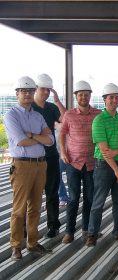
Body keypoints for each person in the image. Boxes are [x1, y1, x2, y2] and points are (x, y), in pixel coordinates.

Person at [4, 76, 54, 260]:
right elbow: (20, 140)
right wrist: (38, 136)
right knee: (19, 210)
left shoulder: (37, 115)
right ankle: (16, 246)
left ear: (34, 93)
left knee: (35, 207)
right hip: (22, 166)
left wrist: (32, 134)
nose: (27, 94)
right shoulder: (11, 115)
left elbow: (50, 141)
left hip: (41, 165)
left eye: (30, 91)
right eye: (23, 91)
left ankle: (32, 243)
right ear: (17, 94)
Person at [86, 83, 118, 246]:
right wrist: (117, 170)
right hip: (104, 167)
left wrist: (116, 151)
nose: (114, 100)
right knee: (98, 201)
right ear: (104, 100)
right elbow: (104, 150)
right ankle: (92, 233)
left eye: (117, 97)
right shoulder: (98, 120)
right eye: (111, 97)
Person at [60, 81, 101, 244]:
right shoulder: (69, 115)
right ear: (76, 96)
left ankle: (86, 229)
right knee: (73, 198)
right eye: (80, 94)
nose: (83, 97)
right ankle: (69, 231)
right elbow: (62, 134)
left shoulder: (98, 114)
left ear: (90, 96)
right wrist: (63, 152)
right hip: (73, 163)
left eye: (86, 94)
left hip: (92, 163)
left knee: (90, 198)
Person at [32, 73, 66, 238]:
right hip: (32, 158)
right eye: (43, 89)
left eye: (48, 89)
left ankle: (53, 225)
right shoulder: (29, 107)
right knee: (32, 195)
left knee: (52, 192)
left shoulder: (51, 108)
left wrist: (58, 101)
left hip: (51, 156)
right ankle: (29, 229)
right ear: (36, 89)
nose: (45, 92)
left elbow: (67, 120)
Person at [55, 122, 69, 206]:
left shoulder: (61, 126)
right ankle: (63, 196)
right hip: (57, 155)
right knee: (57, 177)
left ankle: (65, 196)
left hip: (67, 154)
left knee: (70, 176)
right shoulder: (46, 128)